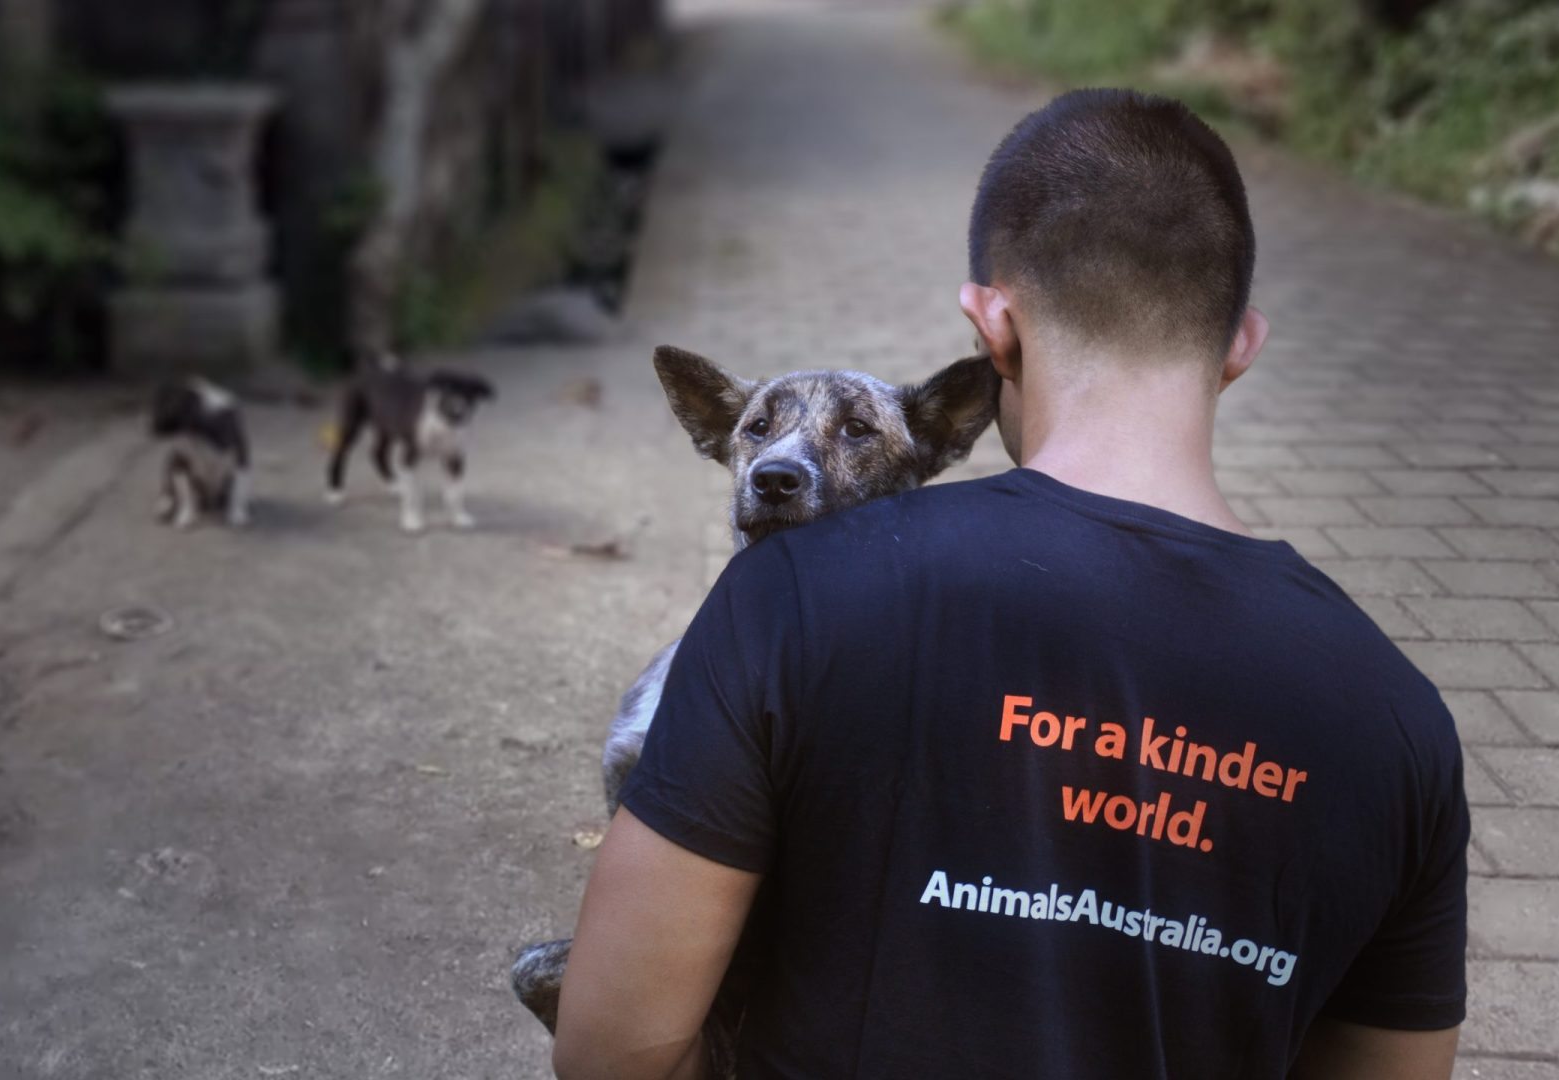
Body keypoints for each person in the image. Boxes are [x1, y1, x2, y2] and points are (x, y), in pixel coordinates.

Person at [551, 88, 1468, 1079]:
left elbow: (614, 1051)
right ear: (1241, 344)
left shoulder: (791, 598)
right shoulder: (1399, 725)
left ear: (992, 327)